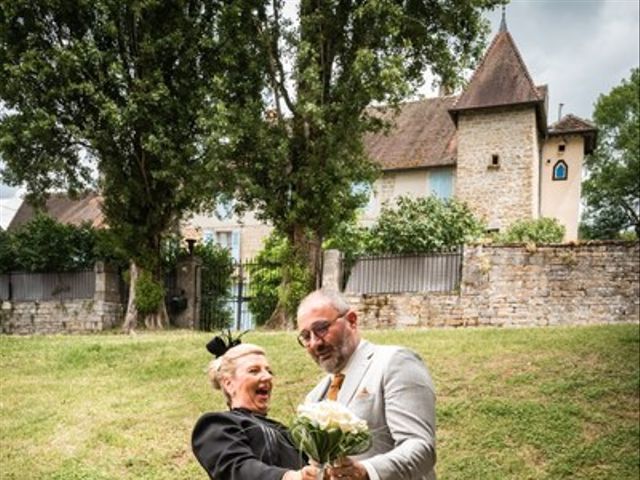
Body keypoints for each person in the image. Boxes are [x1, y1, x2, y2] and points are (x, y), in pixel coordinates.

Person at [297, 289, 437, 480]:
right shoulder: (314, 397)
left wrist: (367, 472)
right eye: (305, 336)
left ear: (352, 320)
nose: (314, 343)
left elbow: (420, 447)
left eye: (321, 328)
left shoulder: (394, 362)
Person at [192, 342, 317, 480]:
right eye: (254, 371)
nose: (268, 377)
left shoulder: (287, 432)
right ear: (229, 384)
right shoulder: (216, 425)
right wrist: (289, 477)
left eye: (269, 371)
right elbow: (237, 468)